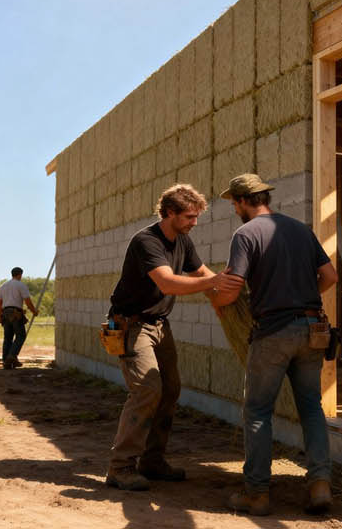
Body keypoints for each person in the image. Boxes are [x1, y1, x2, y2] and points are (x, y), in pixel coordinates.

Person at [105, 184, 244, 491]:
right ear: (169, 213)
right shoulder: (146, 241)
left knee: (170, 390)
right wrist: (214, 281)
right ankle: (121, 467)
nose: (195, 223)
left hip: (159, 325)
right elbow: (168, 283)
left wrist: (223, 298)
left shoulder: (183, 240)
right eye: (189, 217)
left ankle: (152, 461)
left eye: (196, 217)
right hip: (132, 325)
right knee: (146, 389)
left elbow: (201, 274)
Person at [214, 173, 338, 517]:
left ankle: (256, 493)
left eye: (234, 203)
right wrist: (303, 296)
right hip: (313, 328)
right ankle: (319, 485)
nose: (234, 209)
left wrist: (218, 296)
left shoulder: (245, 234)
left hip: (273, 331)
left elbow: (234, 285)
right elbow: (330, 277)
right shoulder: (300, 229)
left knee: (257, 411)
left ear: (242, 201)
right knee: (311, 407)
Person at [0, 267, 37, 369]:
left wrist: (0, 315)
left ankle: (6, 362)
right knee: (21, 336)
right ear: (20, 275)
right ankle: (12, 356)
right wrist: (34, 311)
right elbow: (27, 300)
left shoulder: (3, 286)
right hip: (15, 313)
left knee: (8, 338)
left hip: (5, 312)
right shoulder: (20, 285)